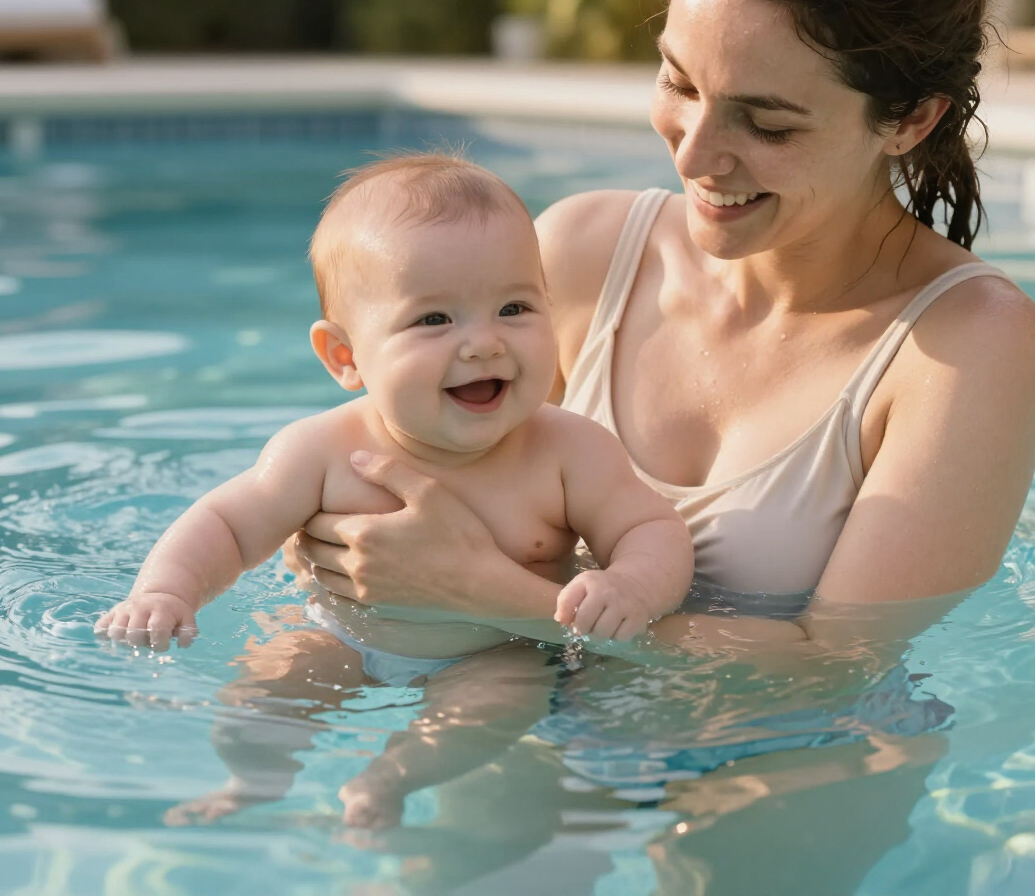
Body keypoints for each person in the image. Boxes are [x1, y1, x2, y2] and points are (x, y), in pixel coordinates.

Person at [284, 0, 1035, 892]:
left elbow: (833, 665)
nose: (694, 152)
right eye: (678, 83)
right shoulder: (578, 252)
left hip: (793, 750)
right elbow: (381, 499)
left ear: (910, 119)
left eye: (765, 123)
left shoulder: (970, 345)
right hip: (525, 703)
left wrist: (485, 591)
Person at [93, 153, 695, 829]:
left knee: (504, 702)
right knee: (262, 700)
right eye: (434, 320)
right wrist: (166, 592)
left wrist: (633, 588)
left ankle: (389, 780)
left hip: (496, 650)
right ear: (345, 357)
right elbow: (228, 525)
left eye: (514, 307)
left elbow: (652, 528)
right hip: (338, 635)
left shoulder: (569, 450)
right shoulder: (319, 450)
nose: (483, 342)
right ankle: (255, 779)